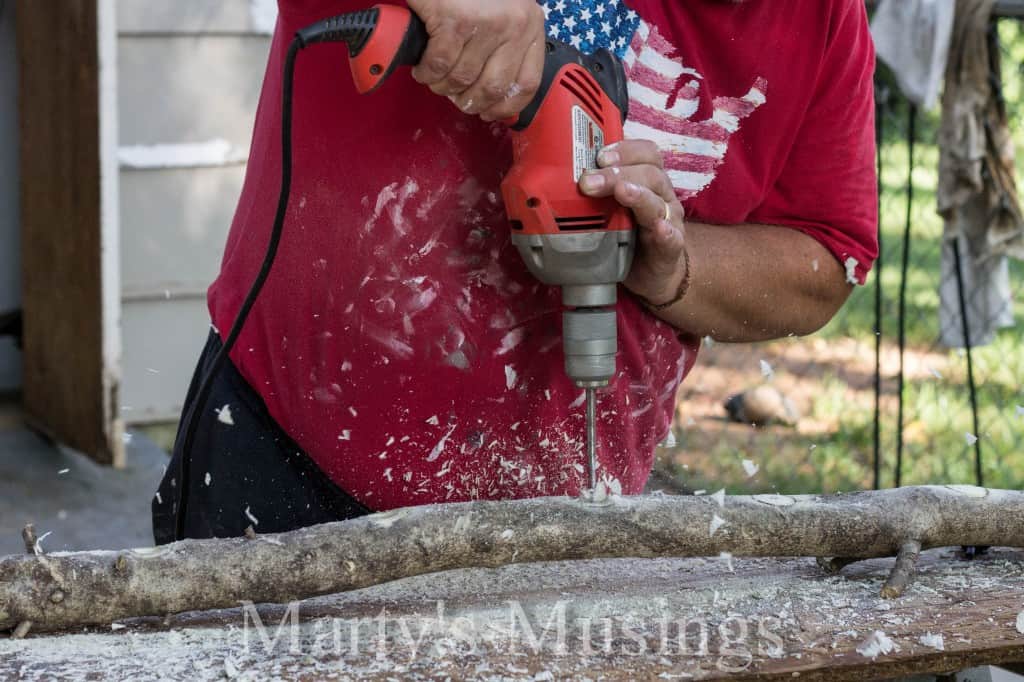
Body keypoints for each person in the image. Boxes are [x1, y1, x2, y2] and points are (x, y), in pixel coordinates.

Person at [152, 0, 877, 543]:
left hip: (567, 527)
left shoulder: (822, 20)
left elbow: (824, 256)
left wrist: (675, 267)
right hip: (288, 467)